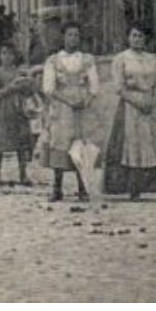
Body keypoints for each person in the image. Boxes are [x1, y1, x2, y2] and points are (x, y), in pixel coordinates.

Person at [102, 24, 156, 201]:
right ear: (128, 38)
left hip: (150, 106)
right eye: (134, 35)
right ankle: (133, 188)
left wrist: (151, 102)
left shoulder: (152, 59)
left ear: (146, 39)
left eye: (141, 36)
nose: (137, 39)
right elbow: (119, 87)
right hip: (130, 106)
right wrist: (137, 102)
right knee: (132, 145)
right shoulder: (121, 59)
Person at [41, 21, 101, 202]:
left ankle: (82, 188)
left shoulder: (87, 59)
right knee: (60, 143)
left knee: (81, 144)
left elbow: (94, 86)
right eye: (69, 35)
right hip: (62, 107)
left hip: (82, 107)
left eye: (76, 35)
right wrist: (67, 100)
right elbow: (48, 88)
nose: (73, 38)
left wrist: (86, 101)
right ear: (63, 37)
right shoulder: (53, 61)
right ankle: (57, 188)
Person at [0, 43, 36, 186]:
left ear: (15, 56)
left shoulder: (20, 73)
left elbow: (29, 93)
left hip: (18, 111)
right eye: (4, 53)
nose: (7, 57)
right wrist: (11, 88)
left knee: (21, 142)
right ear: (0, 56)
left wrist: (29, 83)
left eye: (10, 54)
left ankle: (23, 173)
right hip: (2, 111)